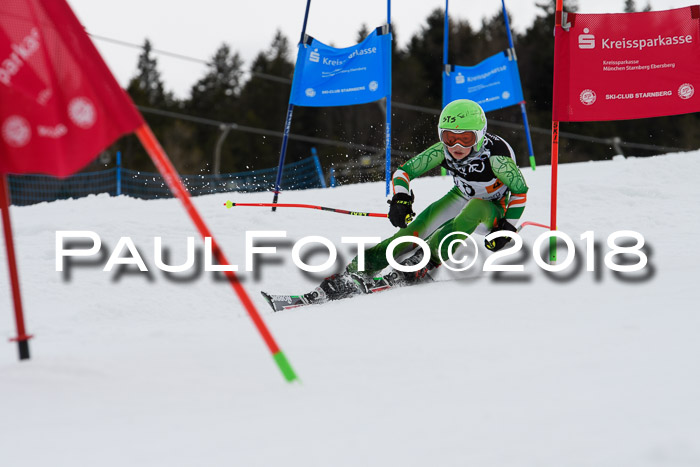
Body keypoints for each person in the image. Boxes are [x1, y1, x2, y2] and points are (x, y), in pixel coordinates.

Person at [313, 98, 529, 301]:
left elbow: (520, 191)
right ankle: (359, 269)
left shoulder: (498, 159)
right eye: (449, 138)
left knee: (474, 207)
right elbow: (403, 172)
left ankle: (427, 260)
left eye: (466, 139)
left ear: (480, 135)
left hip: (492, 208)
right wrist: (401, 198)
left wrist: (507, 228)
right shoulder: (443, 151)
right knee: (412, 233)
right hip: (461, 195)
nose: (457, 147)